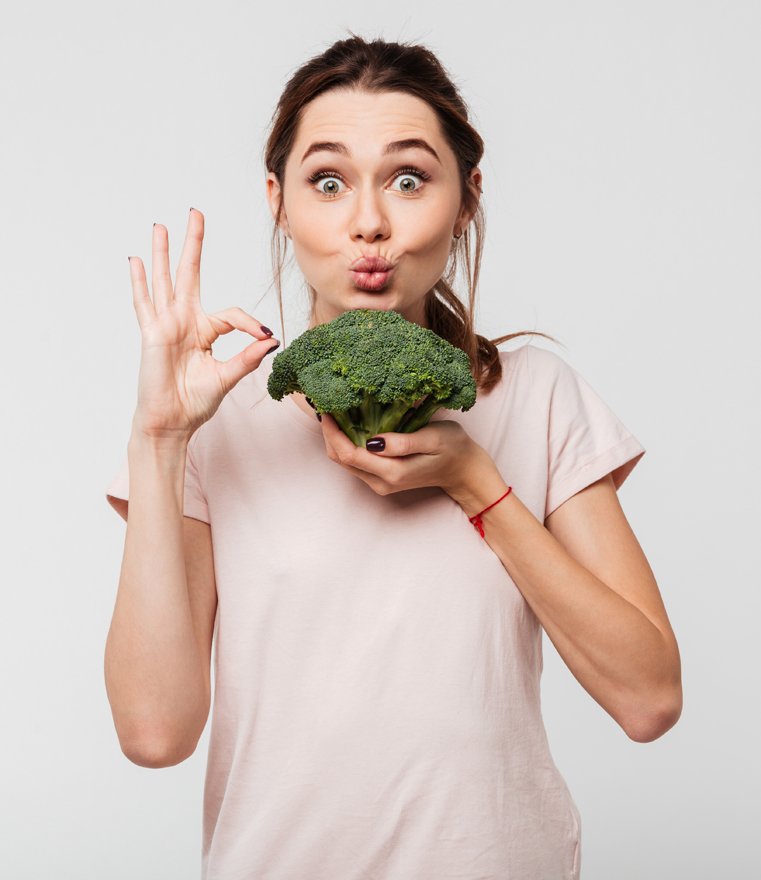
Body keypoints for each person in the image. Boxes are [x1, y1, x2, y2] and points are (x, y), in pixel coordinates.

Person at [105, 35, 682, 880]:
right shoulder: (216, 427)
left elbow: (649, 699)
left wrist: (475, 481)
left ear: (465, 198)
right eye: (327, 181)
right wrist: (159, 440)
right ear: (278, 200)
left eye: (408, 178)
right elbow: (155, 734)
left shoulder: (535, 397)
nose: (368, 221)